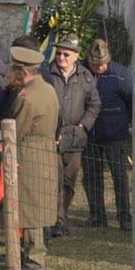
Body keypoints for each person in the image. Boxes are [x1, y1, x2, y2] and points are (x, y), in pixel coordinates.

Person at [8, 46, 60, 270]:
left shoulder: (26, 98)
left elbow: (16, 130)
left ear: (23, 72)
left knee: (29, 208)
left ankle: (34, 259)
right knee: (39, 205)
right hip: (46, 152)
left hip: (28, 154)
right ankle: (30, 254)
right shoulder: (48, 90)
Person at [44, 33, 100, 237]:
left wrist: (83, 126)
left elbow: (94, 104)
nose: (61, 58)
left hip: (75, 138)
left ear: (76, 56)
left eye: (66, 54)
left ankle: (62, 215)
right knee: (54, 181)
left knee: (68, 181)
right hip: (52, 136)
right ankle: (55, 221)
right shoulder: (46, 74)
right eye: (59, 53)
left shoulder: (86, 77)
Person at [81, 39, 132, 230]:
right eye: (95, 64)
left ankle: (124, 217)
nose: (99, 68)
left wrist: (124, 123)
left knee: (119, 176)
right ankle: (97, 216)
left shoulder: (121, 74)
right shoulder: (82, 72)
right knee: (91, 176)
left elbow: (132, 101)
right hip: (89, 134)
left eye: (103, 64)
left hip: (115, 134)